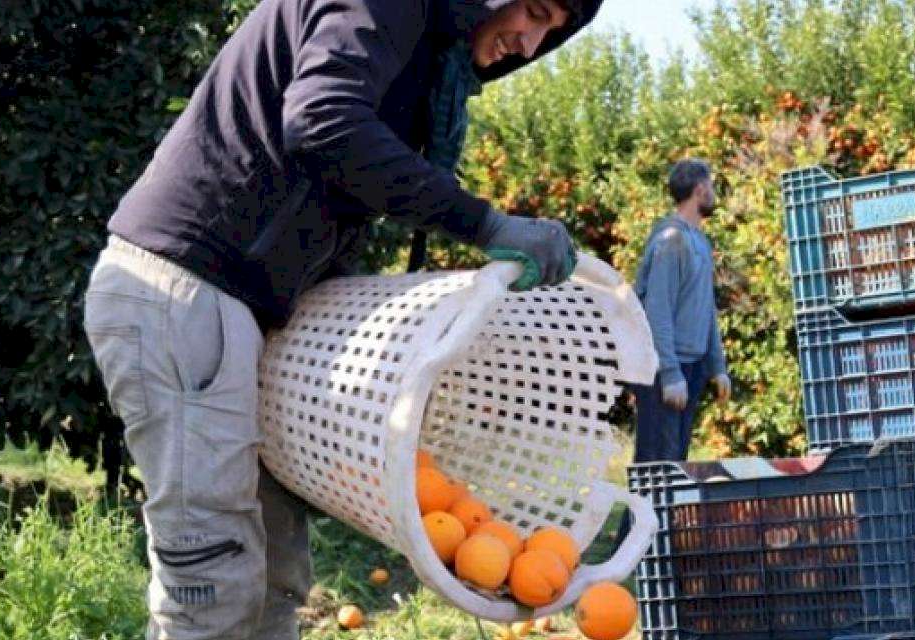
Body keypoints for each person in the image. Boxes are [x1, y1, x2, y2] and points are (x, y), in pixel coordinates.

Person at [80, 1, 600, 637]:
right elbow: (323, 118)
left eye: (552, 31)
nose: (531, 42)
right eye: (535, 11)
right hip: (188, 289)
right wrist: (483, 223)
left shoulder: (424, 50)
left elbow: (329, 192)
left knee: (275, 579)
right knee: (213, 582)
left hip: (243, 309)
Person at [631, 158, 732, 463]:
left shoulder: (699, 241)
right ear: (700, 189)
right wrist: (670, 374)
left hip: (692, 367)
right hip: (662, 370)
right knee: (657, 467)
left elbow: (706, 308)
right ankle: (644, 503)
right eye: (711, 186)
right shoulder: (671, 240)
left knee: (676, 465)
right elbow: (657, 311)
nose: (713, 192)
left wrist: (717, 366)